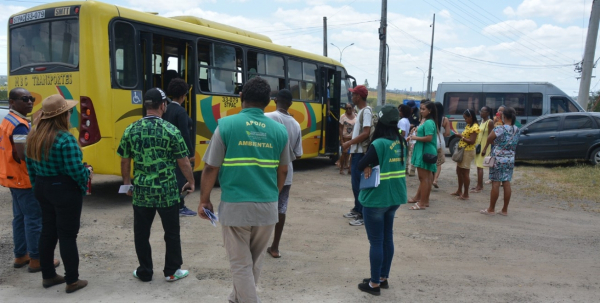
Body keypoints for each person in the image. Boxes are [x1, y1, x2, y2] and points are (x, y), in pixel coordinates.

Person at [199, 77, 291, 303]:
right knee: (254, 260)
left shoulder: (226, 125)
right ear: (268, 102)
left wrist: (204, 200)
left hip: (236, 205)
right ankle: (235, 299)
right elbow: (283, 171)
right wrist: (274, 194)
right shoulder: (280, 131)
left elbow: (211, 167)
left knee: (240, 263)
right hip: (267, 206)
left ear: (241, 98)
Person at [117, 88, 195, 283]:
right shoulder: (171, 130)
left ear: (146, 106)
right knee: (171, 233)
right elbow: (183, 161)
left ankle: (145, 271)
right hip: (167, 192)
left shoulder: (131, 129)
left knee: (141, 233)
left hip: (142, 192)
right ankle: (172, 271)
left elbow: (124, 160)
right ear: (163, 106)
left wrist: (127, 183)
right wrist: (191, 181)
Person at [25, 94, 90, 293]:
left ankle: (49, 276)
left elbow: (30, 167)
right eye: (69, 111)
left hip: (43, 187)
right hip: (63, 189)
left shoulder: (34, 135)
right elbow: (74, 170)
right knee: (68, 235)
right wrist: (86, 174)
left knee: (48, 232)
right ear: (63, 115)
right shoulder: (65, 139)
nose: (71, 114)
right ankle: (72, 280)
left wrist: (37, 187)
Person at [1, 88, 60, 273]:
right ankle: (37, 259)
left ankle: (21, 255)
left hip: (11, 177)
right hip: (23, 179)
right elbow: (23, 154)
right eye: (24, 99)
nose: (29, 102)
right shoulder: (19, 124)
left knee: (20, 218)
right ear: (11, 102)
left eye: (31, 98)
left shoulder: (7, 120)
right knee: (34, 219)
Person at [355, 106, 407, 296]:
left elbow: (360, 165)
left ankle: (374, 284)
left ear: (381, 123)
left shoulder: (379, 144)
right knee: (387, 238)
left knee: (376, 242)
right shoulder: (402, 141)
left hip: (377, 199)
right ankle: (382, 277)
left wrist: (368, 165)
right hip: (395, 198)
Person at [265, 89, 303, 258]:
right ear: (290, 104)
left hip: (265, 173)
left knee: (263, 207)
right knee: (281, 208)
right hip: (286, 174)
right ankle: (275, 247)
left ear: (274, 101)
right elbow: (299, 153)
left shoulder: (267, 117)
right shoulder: (295, 124)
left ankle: (257, 244)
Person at [163, 78, 197, 217]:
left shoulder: (166, 109)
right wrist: (190, 152)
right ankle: (180, 206)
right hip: (179, 150)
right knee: (181, 179)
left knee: (172, 177)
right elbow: (184, 133)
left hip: (167, 149)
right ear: (183, 95)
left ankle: (171, 203)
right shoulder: (181, 111)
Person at [341, 85, 372, 226]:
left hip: (360, 152)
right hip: (356, 151)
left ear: (358, 97)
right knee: (355, 183)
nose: (352, 97)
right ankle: (357, 209)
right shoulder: (360, 111)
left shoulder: (366, 112)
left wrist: (349, 143)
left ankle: (363, 215)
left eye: (353, 95)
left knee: (359, 185)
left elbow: (366, 133)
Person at [480, 107, 519, 216]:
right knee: (506, 182)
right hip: (510, 158)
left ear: (504, 116)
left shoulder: (500, 128)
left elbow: (489, 138)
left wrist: (496, 143)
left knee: (495, 182)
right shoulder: (516, 129)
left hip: (498, 158)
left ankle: (491, 209)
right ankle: (504, 210)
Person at [408, 101, 437, 210]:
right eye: (420, 108)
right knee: (427, 178)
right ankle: (425, 201)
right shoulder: (425, 121)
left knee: (424, 178)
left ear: (430, 110)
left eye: (424, 109)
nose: (421, 111)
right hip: (425, 150)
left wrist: (415, 138)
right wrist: (416, 130)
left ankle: (422, 203)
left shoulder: (429, 122)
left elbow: (429, 137)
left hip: (425, 151)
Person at [452, 109, 479, 200]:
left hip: (468, 151)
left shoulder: (475, 127)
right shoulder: (469, 125)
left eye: (466, 118)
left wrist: (461, 137)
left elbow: (472, 141)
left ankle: (466, 194)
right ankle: (459, 190)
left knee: (465, 172)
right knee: (459, 171)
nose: (465, 120)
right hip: (463, 150)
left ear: (471, 117)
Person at [471, 106, 494, 193]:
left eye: (483, 111)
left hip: (484, 147)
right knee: (478, 166)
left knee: (480, 167)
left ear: (488, 113)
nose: (481, 112)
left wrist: (485, 148)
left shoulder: (490, 122)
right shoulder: (482, 121)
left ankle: (479, 187)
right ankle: (479, 185)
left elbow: (490, 136)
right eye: (481, 111)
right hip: (479, 146)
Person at [432, 102, 450, 188]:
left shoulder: (431, 119)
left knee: (431, 160)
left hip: (431, 141)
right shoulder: (445, 119)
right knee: (438, 162)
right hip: (440, 141)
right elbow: (447, 133)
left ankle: (430, 178)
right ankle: (435, 179)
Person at [339, 103, 356, 175]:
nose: (348, 110)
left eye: (349, 108)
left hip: (353, 138)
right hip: (345, 137)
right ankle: (341, 169)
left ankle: (350, 169)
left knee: (352, 154)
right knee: (344, 153)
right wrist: (341, 139)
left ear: (352, 108)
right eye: (347, 108)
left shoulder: (356, 116)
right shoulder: (343, 117)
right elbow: (340, 128)